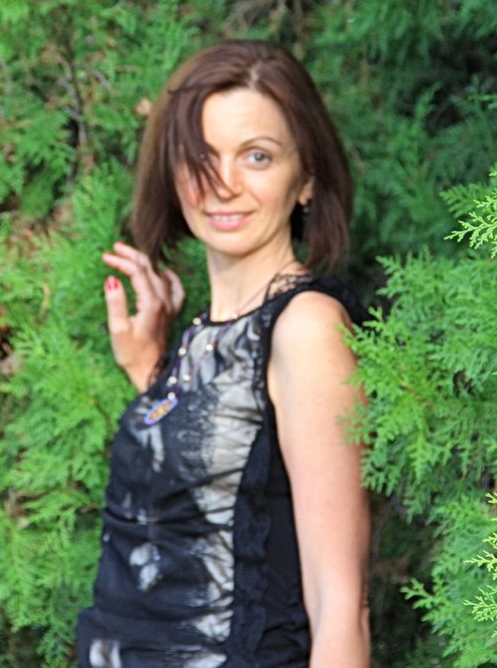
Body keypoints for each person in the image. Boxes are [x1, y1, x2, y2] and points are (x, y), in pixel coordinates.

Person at [75, 40, 370, 667]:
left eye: (257, 156)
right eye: (201, 157)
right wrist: (152, 376)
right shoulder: (202, 337)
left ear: (307, 178)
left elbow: (340, 604)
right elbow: (202, 522)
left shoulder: (306, 328)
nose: (224, 185)